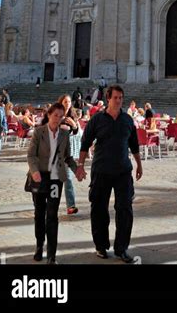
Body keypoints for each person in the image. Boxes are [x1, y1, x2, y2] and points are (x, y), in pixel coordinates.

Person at [76, 85, 142, 263]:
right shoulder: (97, 120)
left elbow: (134, 145)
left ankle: (122, 248)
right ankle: (101, 246)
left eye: (121, 97)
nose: (119, 100)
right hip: (101, 170)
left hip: (123, 171)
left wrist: (139, 165)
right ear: (108, 98)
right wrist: (80, 165)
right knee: (99, 209)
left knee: (125, 209)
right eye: (116, 97)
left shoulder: (128, 120)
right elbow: (85, 143)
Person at [27, 101, 83, 264]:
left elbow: (67, 157)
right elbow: (31, 155)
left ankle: (52, 255)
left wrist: (77, 169)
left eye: (60, 116)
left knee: (52, 215)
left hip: (55, 180)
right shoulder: (39, 132)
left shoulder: (65, 134)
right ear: (49, 115)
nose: (57, 119)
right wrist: (34, 171)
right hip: (38, 178)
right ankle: (39, 246)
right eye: (55, 115)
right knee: (39, 214)